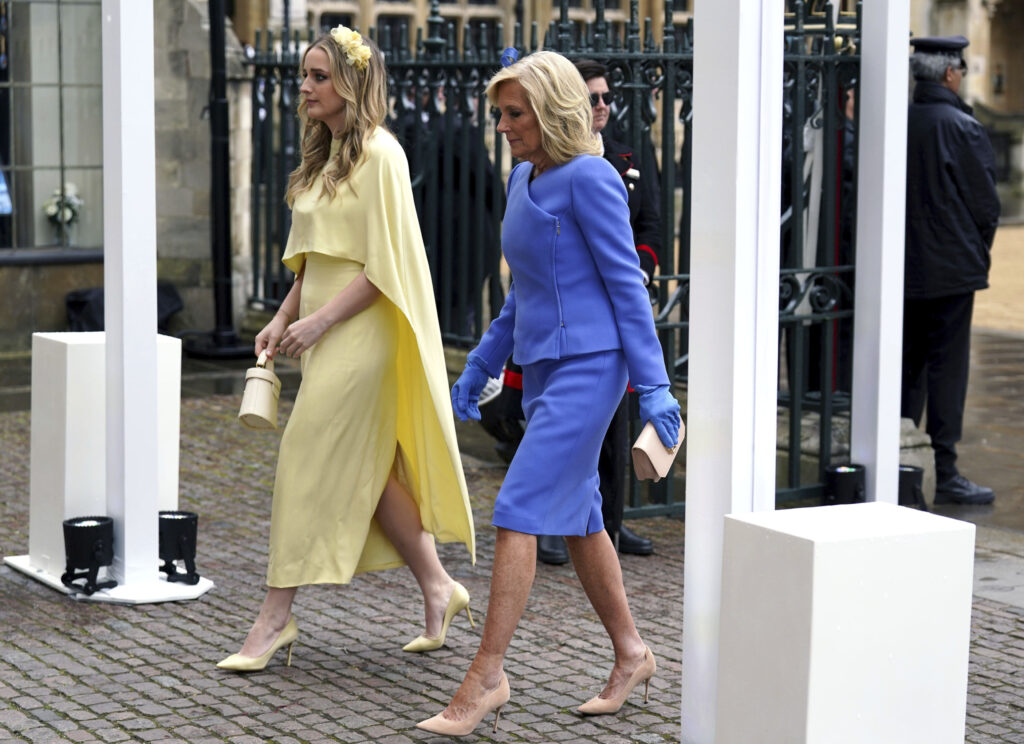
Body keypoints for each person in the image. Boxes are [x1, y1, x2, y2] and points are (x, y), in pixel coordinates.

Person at [416, 51, 681, 737]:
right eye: (499, 113)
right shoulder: (519, 178)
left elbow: (627, 285)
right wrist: (481, 365)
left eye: (515, 113)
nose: (502, 125)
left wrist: (653, 386)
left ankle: (487, 676)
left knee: (518, 506)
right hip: (542, 370)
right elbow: (521, 294)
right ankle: (632, 654)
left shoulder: (591, 177)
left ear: (551, 110)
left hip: (594, 368)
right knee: (583, 518)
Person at [216, 26, 475, 672]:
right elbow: (313, 265)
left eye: (319, 77)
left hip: (365, 334)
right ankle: (439, 588)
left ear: (352, 84)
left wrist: (320, 324)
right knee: (376, 474)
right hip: (326, 327)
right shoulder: (321, 158)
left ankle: (275, 617)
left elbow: (383, 267)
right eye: (304, 75)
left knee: (302, 454)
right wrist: (282, 319)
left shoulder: (382, 156)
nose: (305, 87)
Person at [535, 58, 663, 565]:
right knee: (561, 426)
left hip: (619, 308)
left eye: (607, 97)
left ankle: (609, 522)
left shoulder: (629, 151)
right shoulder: (545, 164)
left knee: (614, 427)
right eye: (593, 98)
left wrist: (642, 271)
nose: (604, 106)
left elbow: (651, 221)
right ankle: (549, 523)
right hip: (571, 314)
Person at [903, 35, 1001, 505]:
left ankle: (902, 462)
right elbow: (986, 206)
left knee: (908, 369)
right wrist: (976, 252)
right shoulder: (962, 126)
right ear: (949, 73)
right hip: (951, 271)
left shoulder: (899, 121)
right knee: (947, 371)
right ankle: (946, 469)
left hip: (904, 268)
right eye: (960, 69)